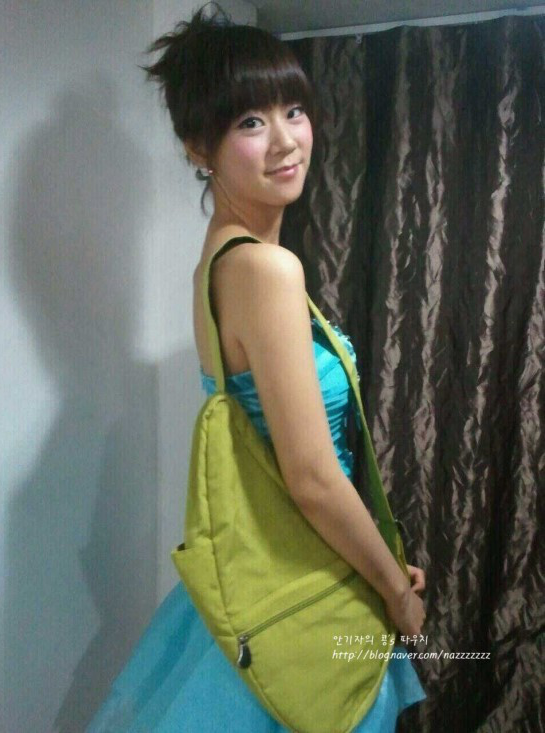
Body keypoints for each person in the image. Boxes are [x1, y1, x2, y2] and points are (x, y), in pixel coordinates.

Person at [87, 3, 427, 731]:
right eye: (250, 121)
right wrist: (396, 592)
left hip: (270, 573)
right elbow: (311, 477)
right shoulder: (266, 269)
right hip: (301, 576)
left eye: (293, 111)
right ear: (197, 148)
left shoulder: (216, 263)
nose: (285, 140)